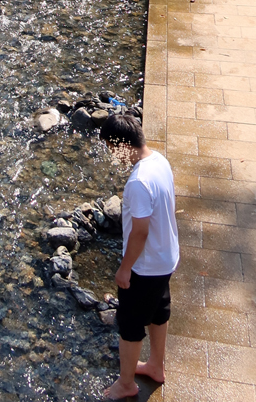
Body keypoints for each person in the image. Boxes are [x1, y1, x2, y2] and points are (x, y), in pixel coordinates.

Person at [100, 114, 179, 400]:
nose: (113, 156)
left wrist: (124, 269)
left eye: (111, 148)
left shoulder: (138, 182)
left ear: (122, 145)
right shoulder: (159, 161)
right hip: (166, 256)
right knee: (159, 311)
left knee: (130, 323)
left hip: (145, 267)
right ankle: (156, 365)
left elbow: (140, 232)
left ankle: (126, 384)